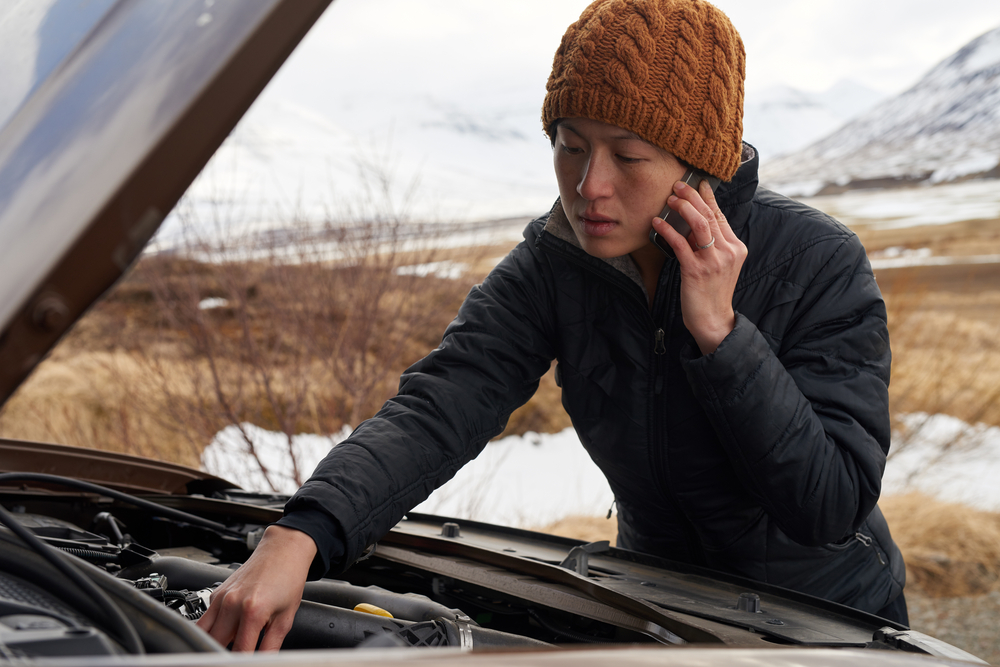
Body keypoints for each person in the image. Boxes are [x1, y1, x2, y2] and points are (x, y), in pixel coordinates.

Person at [198, 0, 906, 651]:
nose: (589, 185)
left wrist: (724, 337)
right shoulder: (553, 262)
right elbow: (441, 404)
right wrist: (300, 533)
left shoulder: (816, 260)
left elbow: (829, 505)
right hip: (654, 611)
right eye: (569, 145)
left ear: (699, 169)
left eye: (628, 156)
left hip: (824, 623)